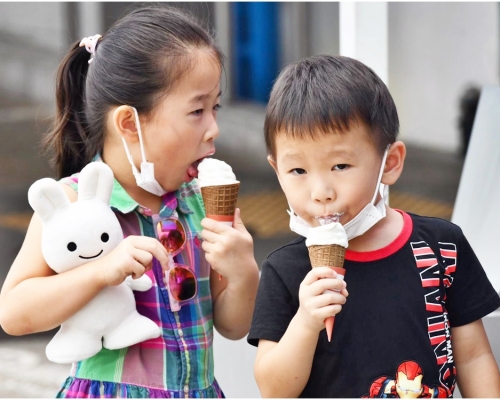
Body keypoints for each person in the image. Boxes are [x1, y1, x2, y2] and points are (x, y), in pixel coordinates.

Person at [0, 5, 259, 398]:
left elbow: (232, 326)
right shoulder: (71, 203)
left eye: (215, 107)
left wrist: (243, 272)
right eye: (196, 111)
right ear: (128, 124)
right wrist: (101, 273)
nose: (214, 129)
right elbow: (14, 313)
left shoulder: (201, 205)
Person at [247, 54, 500, 397]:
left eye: (340, 165)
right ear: (277, 171)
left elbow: (473, 358)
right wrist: (306, 321)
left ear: (390, 163)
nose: (321, 193)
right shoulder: (285, 270)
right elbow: (275, 390)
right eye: (298, 171)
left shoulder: (443, 246)